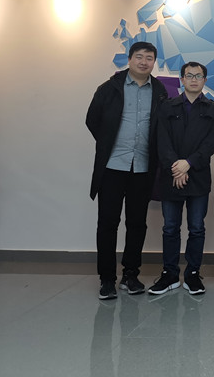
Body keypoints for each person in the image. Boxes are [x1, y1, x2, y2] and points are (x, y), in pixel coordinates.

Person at [86, 42, 168, 300]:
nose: (144, 62)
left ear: (154, 62)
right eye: (139, 57)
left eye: (149, 58)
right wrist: (109, 143)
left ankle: (131, 275)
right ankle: (107, 279)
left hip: (143, 167)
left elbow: (163, 127)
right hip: (113, 166)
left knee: (136, 223)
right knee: (107, 223)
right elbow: (92, 119)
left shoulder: (160, 91)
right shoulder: (109, 87)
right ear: (130, 59)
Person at [150, 62, 214, 295]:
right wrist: (177, 167)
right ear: (182, 79)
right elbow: (162, 140)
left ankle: (192, 274)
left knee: (196, 228)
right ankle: (169, 274)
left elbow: (210, 144)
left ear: (204, 80)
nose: (193, 79)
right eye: (189, 75)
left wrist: (188, 163)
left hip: (198, 176)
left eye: (198, 76)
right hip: (171, 176)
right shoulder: (167, 106)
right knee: (170, 227)